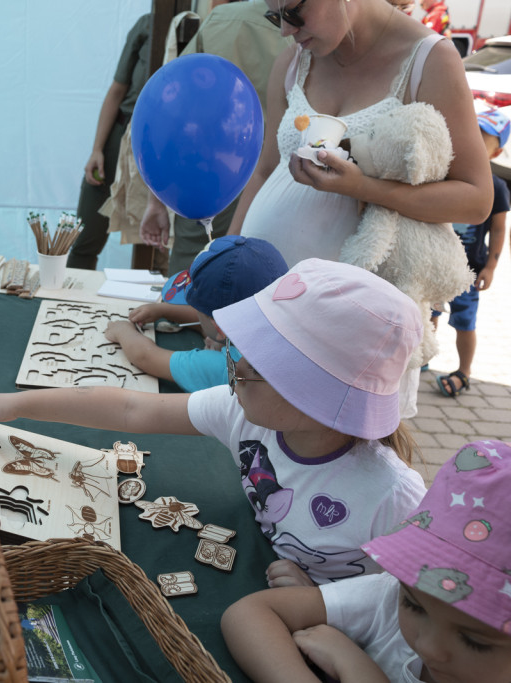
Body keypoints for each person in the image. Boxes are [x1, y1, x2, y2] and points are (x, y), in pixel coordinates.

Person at [0, 259, 427, 586]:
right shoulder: (246, 412)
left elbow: (418, 608)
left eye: (250, 364)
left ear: (314, 398)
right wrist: (17, 404)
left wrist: (321, 603)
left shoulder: (394, 497)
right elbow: (132, 409)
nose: (231, 365)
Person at [222, 439, 511, 682]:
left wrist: (359, 670)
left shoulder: (426, 599)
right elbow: (248, 614)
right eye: (413, 605)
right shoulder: (398, 592)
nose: (429, 647)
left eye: (476, 641)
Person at [229, 0, 491, 267]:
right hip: (255, 289)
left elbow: (477, 200)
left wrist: (364, 189)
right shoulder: (293, 61)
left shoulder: (430, 60)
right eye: (275, 17)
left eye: (294, 12)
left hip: (350, 302)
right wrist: (220, 258)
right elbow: (267, 169)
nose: (285, 30)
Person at [138, 0, 292, 276]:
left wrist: (155, 201)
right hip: (279, 182)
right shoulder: (307, 31)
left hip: (200, 172)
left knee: (188, 277)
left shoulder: (221, 19)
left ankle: (176, 319)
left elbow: (171, 107)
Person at [105, 235, 287, 392]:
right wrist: (163, 310)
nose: (194, 312)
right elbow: (211, 322)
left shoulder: (229, 368)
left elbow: (146, 356)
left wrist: (122, 331)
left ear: (219, 327)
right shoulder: (281, 332)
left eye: (196, 309)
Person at [67, 13, 151, 270]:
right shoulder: (147, 25)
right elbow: (117, 91)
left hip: (161, 145)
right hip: (120, 134)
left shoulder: (199, 24)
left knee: (152, 242)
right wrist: (97, 149)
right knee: (85, 236)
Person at [436, 110, 510, 398]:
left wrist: (491, 267)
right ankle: (421, 359)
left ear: (498, 151)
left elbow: (500, 229)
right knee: (427, 315)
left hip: (468, 271)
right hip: (435, 265)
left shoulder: (498, 187)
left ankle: (464, 372)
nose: (475, 141)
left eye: (485, 138)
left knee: (464, 323)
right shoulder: (446, 173)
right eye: (472, 133)